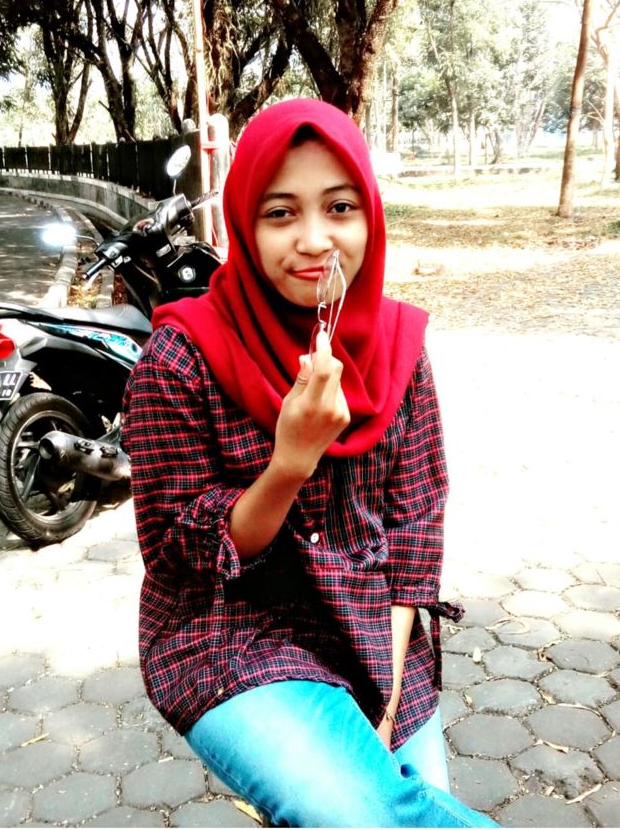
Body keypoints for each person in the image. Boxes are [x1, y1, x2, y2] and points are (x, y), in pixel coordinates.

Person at [122, 99, 497, 828]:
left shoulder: (398, 348)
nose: (315, 241)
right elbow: (178, 555)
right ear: (244, 223)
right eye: (281, 213)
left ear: (370, 217)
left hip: (373, 629)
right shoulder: (180, 357)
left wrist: (386, 700)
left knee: (393, 808)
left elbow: (414, 529)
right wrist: (291, 460)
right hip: (234, 636)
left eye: (340, 207)